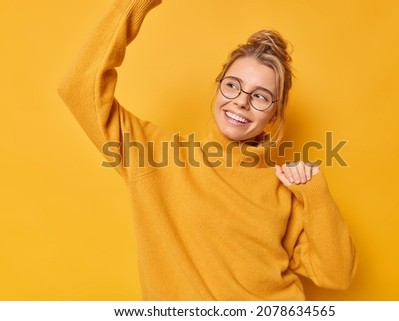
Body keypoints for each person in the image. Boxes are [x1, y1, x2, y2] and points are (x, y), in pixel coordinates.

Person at [58, 0, 356, 300]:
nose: (241, 101)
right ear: (218, 88)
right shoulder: (156, 154)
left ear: (274, 114)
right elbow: (79, 88)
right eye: (232, 86)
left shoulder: (285, 190)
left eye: (261, 96)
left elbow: (337, 274)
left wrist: (316, 194)